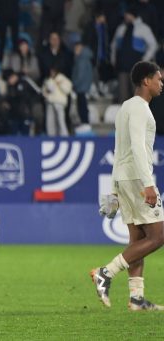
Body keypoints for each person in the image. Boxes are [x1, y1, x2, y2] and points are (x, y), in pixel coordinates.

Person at [92, 61, 164, 311]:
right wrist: (148, 184)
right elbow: (135, 146)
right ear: (146, 81)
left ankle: (136, 298)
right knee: (158, 236)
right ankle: (106, 272)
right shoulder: (140, 109)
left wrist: (114, 187)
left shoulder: (124, 108)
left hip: (124, 177)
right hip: (136, 178)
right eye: (159, 79)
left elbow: (118, 149)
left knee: (138, 240)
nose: (161, 84)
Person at [110, 6, 157, 102]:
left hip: (136, 67)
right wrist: (114, 59)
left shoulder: (143, 28)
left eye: (126, 14)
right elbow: (114, 45)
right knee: (122, 94)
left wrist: (144, 59)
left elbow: (153, 45)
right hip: (122, 66)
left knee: (137, 95)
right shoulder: (121, 28)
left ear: (132, 15)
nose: (125, 16)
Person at [42, 67, 72, 136]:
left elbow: (67, 90)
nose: (52, 73)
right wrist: (46, 94)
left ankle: (64, 136)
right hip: (50, 102)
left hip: (59, 103)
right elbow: (44, 91)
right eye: (51, 72)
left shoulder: (63, 79)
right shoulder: (48, 80)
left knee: (60, 120)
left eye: (53, 71)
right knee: (50, 121)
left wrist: (59, 84)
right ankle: (51, 136)